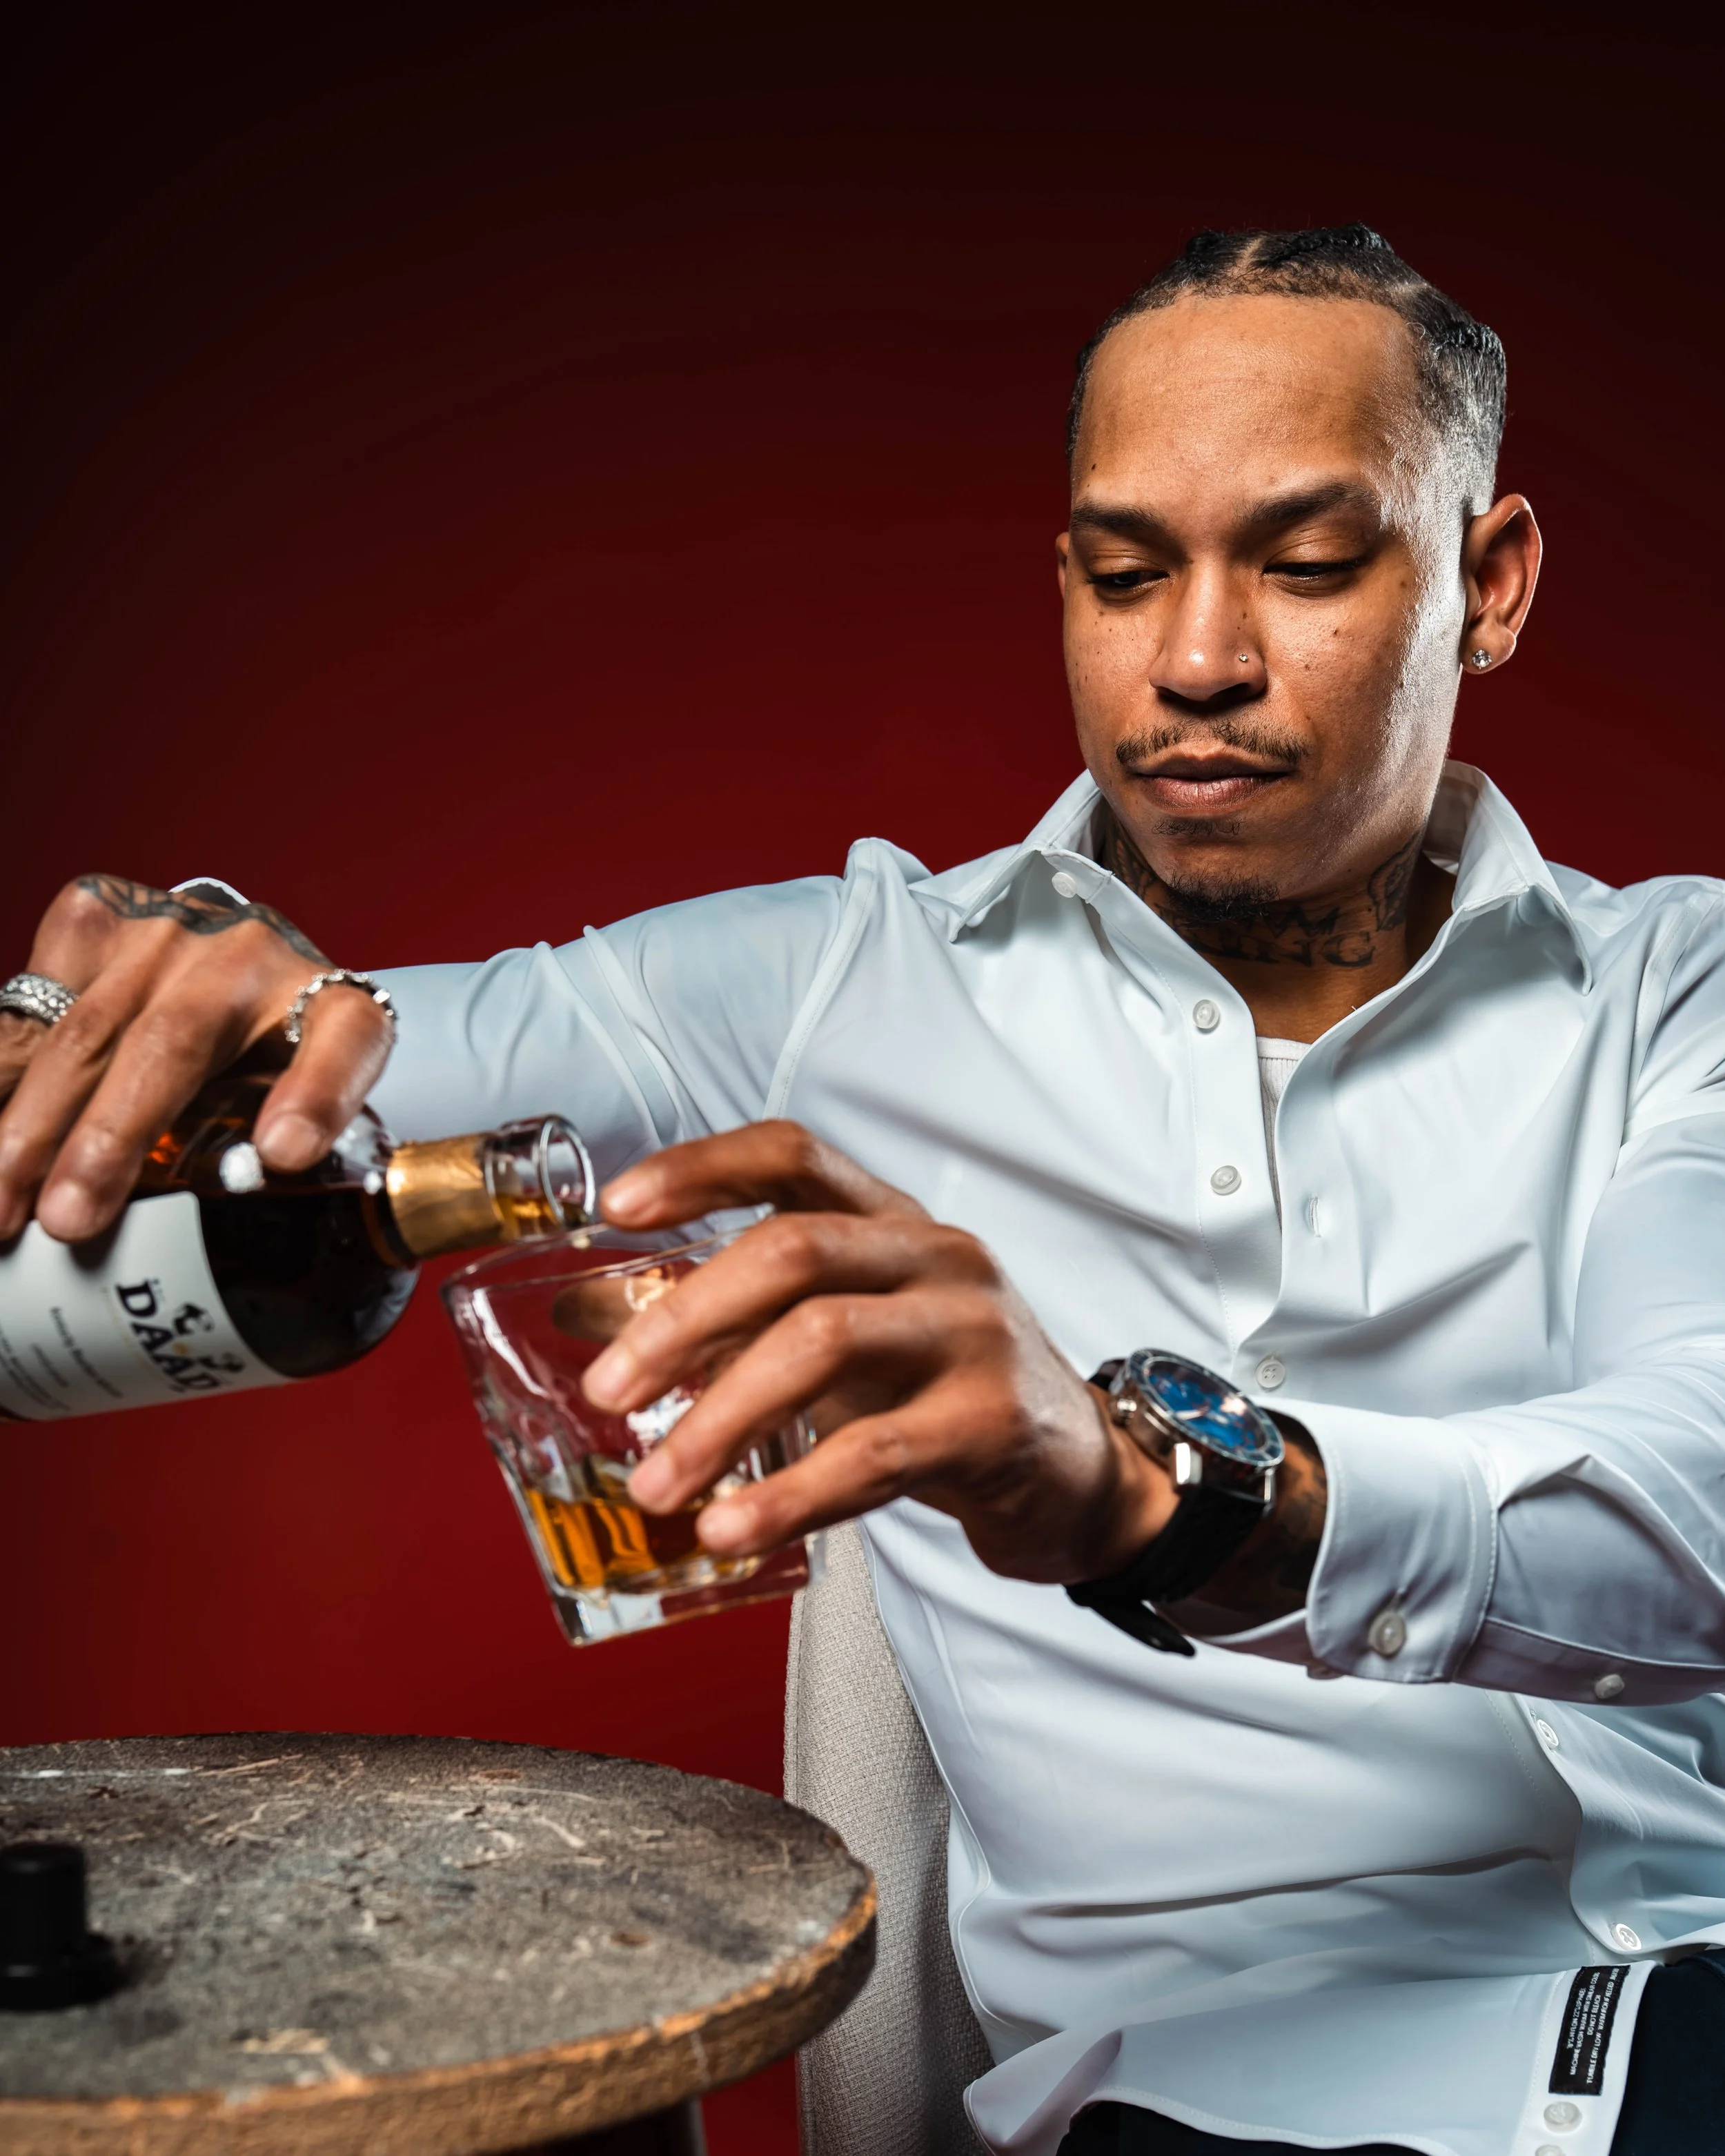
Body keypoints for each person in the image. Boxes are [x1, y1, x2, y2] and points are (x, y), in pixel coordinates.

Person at [3, 224, 1724, 2155]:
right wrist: (129, 1003)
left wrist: (1153, 1490)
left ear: (1487, 586)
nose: (1195, 659)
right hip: (1228, 2092)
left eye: (1307, 564)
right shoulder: (839, 988)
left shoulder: (1682, 989)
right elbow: (314, 1066)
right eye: (1120, 571)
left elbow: (1699, 1495)